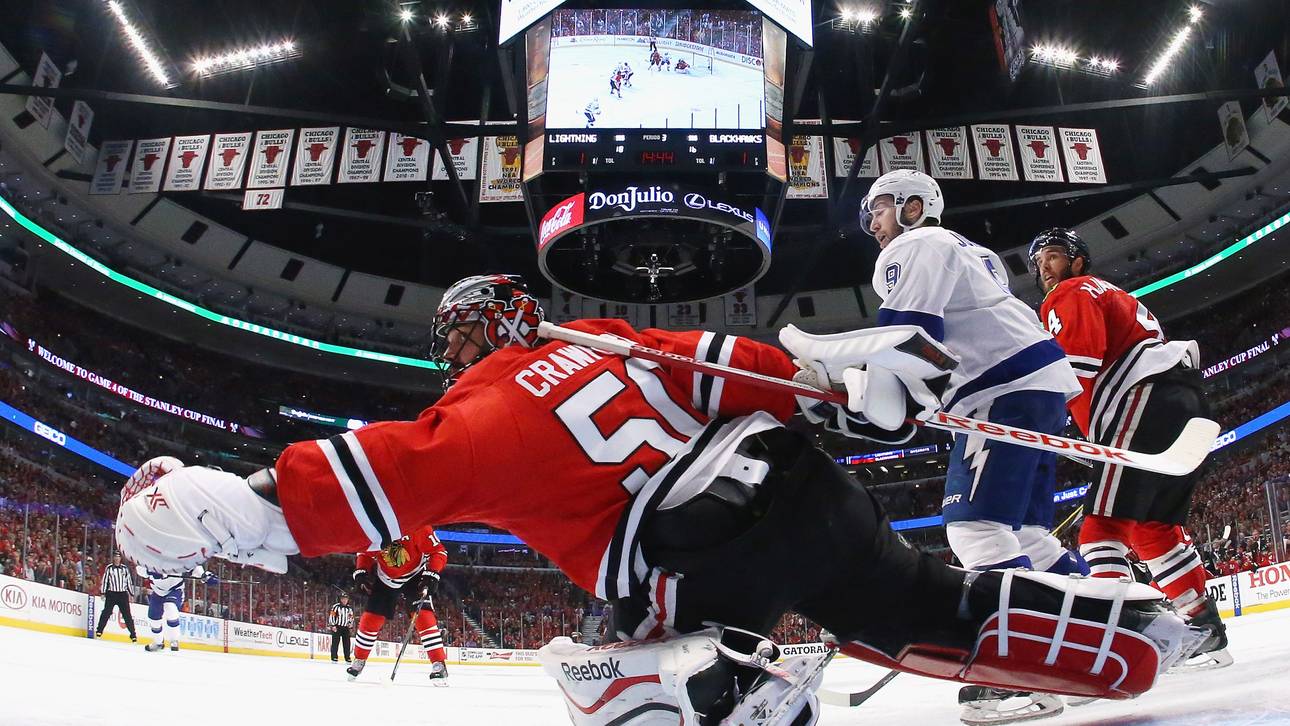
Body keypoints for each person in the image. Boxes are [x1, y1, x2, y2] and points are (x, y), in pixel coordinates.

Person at [117, 274, 1199, 726]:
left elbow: (343, 486)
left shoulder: (478, 421)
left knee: (595, 664)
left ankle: (735, 685)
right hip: (811, 492)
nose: (446, 352)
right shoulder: (616, 345)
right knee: (920, 600)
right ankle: (1139, 629)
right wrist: (852, 388)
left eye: (453, 333)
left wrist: (206, 500)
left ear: (487, 326)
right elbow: (767, 373)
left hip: (703, 547)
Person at [1030, 227, 1231, 670]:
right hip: (1181, 401)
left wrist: (1037, 418)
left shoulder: (1072, 291)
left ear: (1077, 260)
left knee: (1100, 527)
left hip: (1143, 400)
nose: (1045, 266)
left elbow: (1075, 367)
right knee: (1152, 530)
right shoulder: (1112, 293)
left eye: (1054, 256)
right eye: (1040, 260)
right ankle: (1206, 632)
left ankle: (1120, 639)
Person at [347, 525, 449, 682]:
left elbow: (438, 551)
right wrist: (361, 571)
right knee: (371, 618)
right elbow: (365, 552)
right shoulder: (374, 525)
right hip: (385, 577)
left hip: (416, 574)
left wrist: (432, 573)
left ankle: (438, 663)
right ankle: (359, 660)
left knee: (422, 615)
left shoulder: (418, 525)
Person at [137, 564, 217, 652]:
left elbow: (192, 566)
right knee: (154, 619)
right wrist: (150, 571)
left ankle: (174, 640)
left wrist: (205, 575)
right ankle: (158, 642)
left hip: (175, 589)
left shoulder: (176, 554)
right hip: (157, 591)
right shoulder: (152, 554)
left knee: (170, 607)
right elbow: (139, 568)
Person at [94, 552, 137, 642]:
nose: (117, 558)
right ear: (113, 558)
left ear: (120, 558)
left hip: (122, 594)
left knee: (127, 615)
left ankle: (133, 635)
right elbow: (105, 580)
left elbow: (128, 582)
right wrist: (103, 592)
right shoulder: (109, 568)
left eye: (118, 557)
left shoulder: (124, 569)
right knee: (106, 612)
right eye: (115, 557)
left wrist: (131, 594)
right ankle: (99, 631)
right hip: (111, 594)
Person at [327, 593, 356, 663]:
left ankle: (347, 658)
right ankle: (334, 657)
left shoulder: (349, 608)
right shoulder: (336, 607)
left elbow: (351, 618)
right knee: (335, 642)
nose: (344, 600)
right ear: (341, 599)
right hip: (337, 626)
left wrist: (350, 625)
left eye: (346, 599)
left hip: (345, 627)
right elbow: (332, 616)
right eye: (343, 599)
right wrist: (333, 625)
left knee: (347, 643)